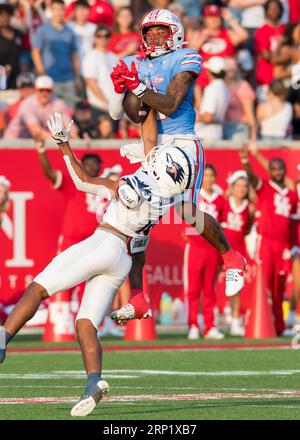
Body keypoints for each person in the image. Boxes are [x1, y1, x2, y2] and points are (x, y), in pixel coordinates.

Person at [0, 109, 187, 417]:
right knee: (86, 324)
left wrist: (63, 144)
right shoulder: (163, 202)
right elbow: (140, 251)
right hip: (122, 259)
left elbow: (82, 180)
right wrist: (137, 293)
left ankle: (3, 339)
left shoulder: (132, 182)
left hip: (105, 241)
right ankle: (94, 381)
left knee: (37, 288)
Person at [109, 8, 246, 323]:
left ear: (176, 34)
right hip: (154, 147)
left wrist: (139, 87)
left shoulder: (187, 57)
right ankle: (140, 298)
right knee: (134, 222)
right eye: (150, 32)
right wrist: (121, 88)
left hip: (182, 145)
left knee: (187, 213)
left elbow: (170, 104)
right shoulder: (138, 62)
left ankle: (232, 258)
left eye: (161, 31)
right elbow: (127, 115)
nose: (154, 37)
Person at [240, 145, 298, 335]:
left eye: (280, 168)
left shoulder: (291, 195)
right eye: (273, 169)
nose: (277, 172)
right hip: (266, 242)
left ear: (284, 170)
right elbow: (252, 178)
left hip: (282, 245)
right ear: (269, 170)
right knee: (261, 283)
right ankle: (251, 318)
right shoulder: (264, 187)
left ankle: (279, 326)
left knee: (278, 287)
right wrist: (247, 162)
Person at [184, 164, 225, 340]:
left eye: (211, 175)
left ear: (215, 178)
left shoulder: (221, 200)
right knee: (193, 289)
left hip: (211, 248)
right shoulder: (193, 196)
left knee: (209, 289)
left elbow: (222, 225)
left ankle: (210, 326)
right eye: (205, 175)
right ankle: (193, 324)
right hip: (195, 246)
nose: (208, 179)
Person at [221, 170, 254, 336]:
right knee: (210, 284)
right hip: (220, 248)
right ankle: (204, 320)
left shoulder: (249, 207)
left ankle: (235, 321)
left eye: (245, 186)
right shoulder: (224, 202)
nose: (242, 189)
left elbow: (247, 228)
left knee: (236, 287)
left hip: (238, 250)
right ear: (232, 187)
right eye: (238, 185)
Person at [31, 0, 81, 108]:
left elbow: (74, 55)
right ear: (51, 11)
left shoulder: (70, 31)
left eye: (61, 9)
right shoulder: (43, 30)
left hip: (68, 79)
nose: (59, 12)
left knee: (69, 113)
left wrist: (76, 77)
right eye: (56, 9)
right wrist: (42, 73)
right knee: (52, 114)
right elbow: (35, 52)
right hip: (51, 78)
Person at [187, 4, 248, 88]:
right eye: (210, 17)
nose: (214, 20)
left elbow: (244, 36)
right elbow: (191, 52)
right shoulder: (198, 33)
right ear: (204, 19)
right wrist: (203, 37)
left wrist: (230, 20)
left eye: (216, 16)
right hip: (203, 83)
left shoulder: (227, 33)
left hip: (225, 82)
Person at [3, 75, 76, 140]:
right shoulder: (26, 104)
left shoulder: (58, 103)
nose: (44, 93)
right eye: (41, 90)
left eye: (48, 90)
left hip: (33, 143)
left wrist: (74, 138)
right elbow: (37, 133)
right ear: (35, 90)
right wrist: (62, 140)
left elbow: (70, 127)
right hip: (14, 144)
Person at [82, 25, 119, 117]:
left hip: (115, 106)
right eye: (99, 36)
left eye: (106, 36)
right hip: (99, 106)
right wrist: (105, 103)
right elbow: (91, 83)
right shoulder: (90, 57)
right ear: (94, 38)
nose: (103, 39)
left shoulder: (114, 57)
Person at [254, 0, 286, 102]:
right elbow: (267, 56)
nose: (273, 11)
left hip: (284, 79)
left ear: (281, 11)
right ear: (266, 11)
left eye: (276, 8)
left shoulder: (286, 29)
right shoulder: (262, 31)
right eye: (270, 8)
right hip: (266, 80)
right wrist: (281, 46)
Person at [195, 56, 229, 142]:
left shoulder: (212, 88)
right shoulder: (224, 87)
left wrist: (191, 116)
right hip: (216, 133)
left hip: (205, 135)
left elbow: (208, 117)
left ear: (210, 72)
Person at [224, 57, 257, 141]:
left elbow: (250, 116)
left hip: (239, 129)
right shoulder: (221, 85)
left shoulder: (243, 86)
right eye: (229, 68)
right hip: (223, 127)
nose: (231, 70)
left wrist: (253, 140)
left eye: (233, 68)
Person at [67, 0, 96, 74]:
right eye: (79, 9)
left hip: (90, 68)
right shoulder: (68, 27)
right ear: (74, 11)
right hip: (72, 68)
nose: (82, 12)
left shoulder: (94, 28)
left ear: (89, 11)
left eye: (85, 9)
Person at [0, 3, 24, 89]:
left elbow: (24, 54)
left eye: (7, 15)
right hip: (2, 82)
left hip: (18, 79)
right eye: (2, 15)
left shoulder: (18, 34)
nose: (5, 18)